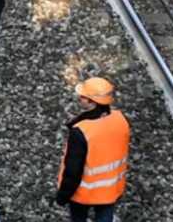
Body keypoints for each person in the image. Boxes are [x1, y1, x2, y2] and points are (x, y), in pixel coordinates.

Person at [56, 77, 130, 222]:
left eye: (83, 96)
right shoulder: (120, 120)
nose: (79, 98)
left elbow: (73, 171)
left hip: (82, 193)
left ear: (92, 102)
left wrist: (62, 196)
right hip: (110, 190)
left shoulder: (81, 131)